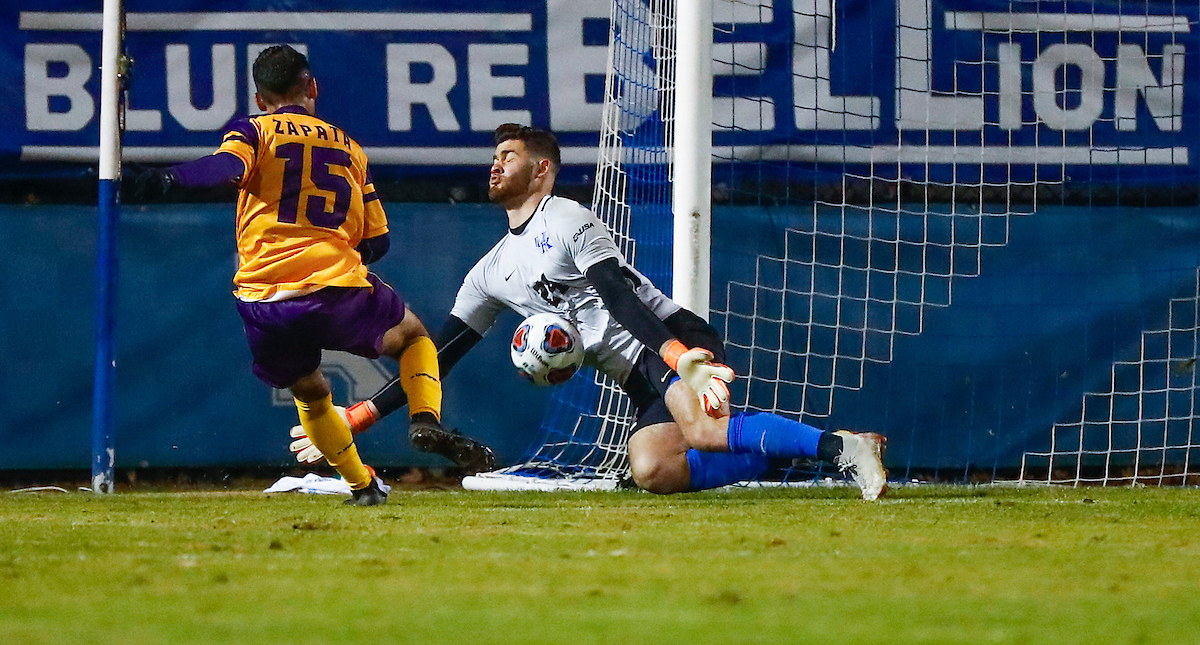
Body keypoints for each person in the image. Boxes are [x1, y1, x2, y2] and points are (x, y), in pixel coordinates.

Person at [292, 124, 889, 500]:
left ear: (542, 169)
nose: (495, 165)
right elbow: (435, 355)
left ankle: (843, 451)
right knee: (655, 469)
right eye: (494, 156)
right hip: (638, 373)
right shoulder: (490, 270)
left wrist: (680, 357)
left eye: (509, 155)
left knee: (704, 432)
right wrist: (360, 416)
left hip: (669, 341)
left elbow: (618, 293)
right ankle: (801, 455)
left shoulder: (567, 217)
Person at [132, 45, 495, 505]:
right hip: (333, 286)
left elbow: (224, 169)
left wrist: (167, 180)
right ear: (312, 88)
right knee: (415, 339)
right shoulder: (348, 147)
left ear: (260, 99)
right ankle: (425, 417)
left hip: (263, 298)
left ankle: (362, 486)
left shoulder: (255, 131)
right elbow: (379, 242)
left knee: (312, 393)